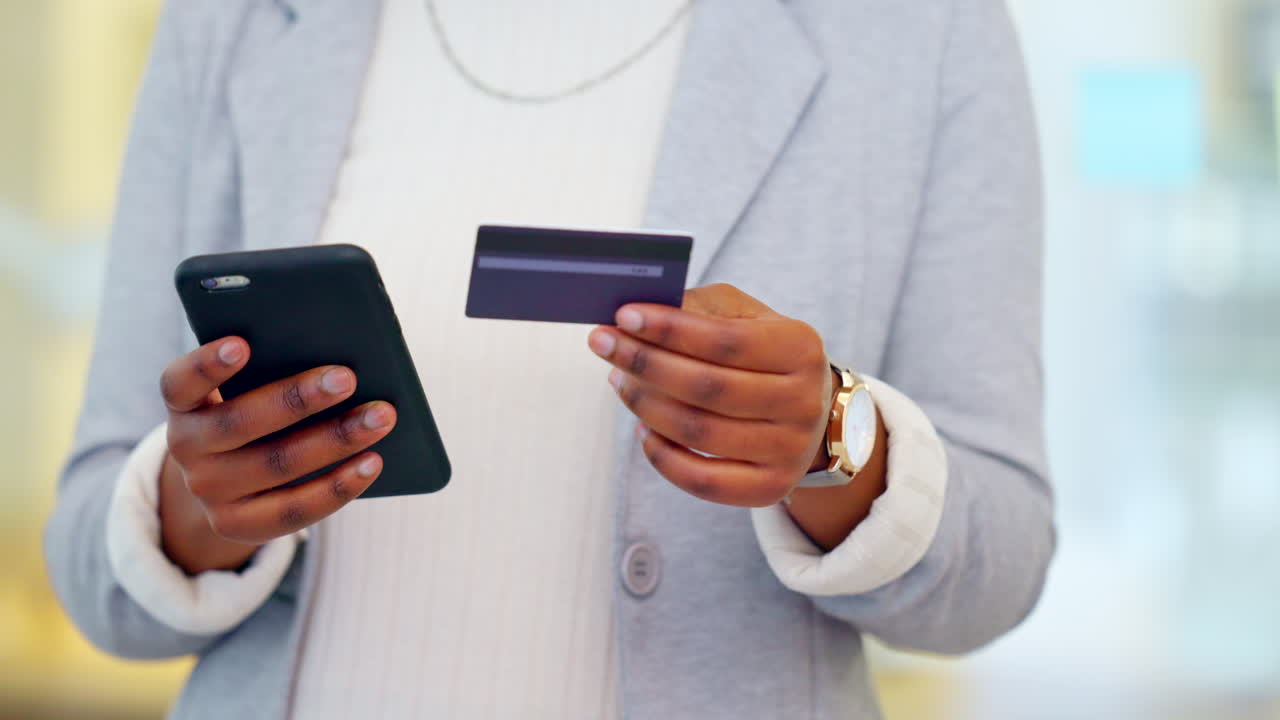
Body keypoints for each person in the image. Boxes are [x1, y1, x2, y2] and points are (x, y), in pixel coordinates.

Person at [45, 0, 1055, 717]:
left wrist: (831, 439)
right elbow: (95, 567)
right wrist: (196, 503)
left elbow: (997, 569)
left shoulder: (922, 31)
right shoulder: (236, 20)